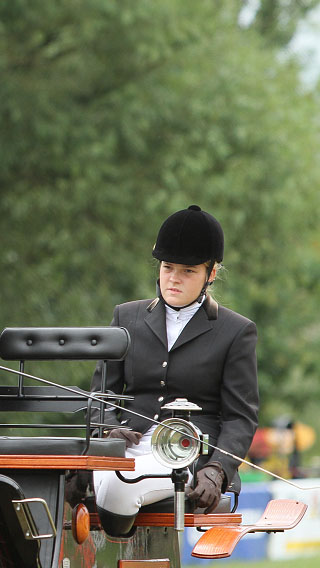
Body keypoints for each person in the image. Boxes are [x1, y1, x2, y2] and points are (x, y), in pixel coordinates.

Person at [90, 205, 259, 536]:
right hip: (124, 446)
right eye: (168, 268)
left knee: (118, 486)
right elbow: (100, 394)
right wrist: (107, 430)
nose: (173, 279)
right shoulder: (127, 317)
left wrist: (218, 470)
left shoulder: (236, 331)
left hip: (188, 452)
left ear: (211, 274)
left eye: (188, 271)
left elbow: (241, 417)